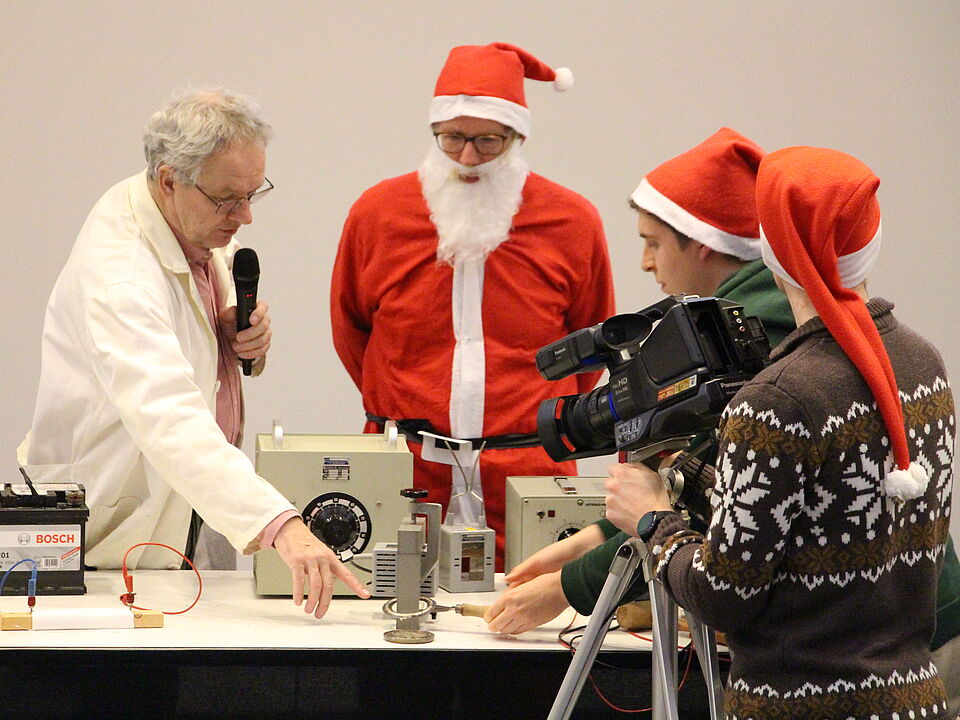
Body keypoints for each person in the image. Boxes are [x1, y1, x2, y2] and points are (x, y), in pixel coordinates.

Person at [603, 146, 953, 718]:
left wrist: (654, 521)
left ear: (774, 251)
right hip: (913, 697)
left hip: (799, 705)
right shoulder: (923, 365)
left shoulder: (775, 399)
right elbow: (819, 514)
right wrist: (688, 477)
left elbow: (726, 594)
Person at [18, 88, 369, 618]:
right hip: (112, 535)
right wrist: (283, 524)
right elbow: (170, 418)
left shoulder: (183, 217)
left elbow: (189, 357)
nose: (245, 216)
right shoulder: (122, 278)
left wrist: (232, 344)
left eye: (255, 193)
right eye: (229, 199)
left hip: (180, 511)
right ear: (168, 179)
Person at [485, 127, 795, 632]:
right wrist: (595, 536)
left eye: (653, 243)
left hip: (880, 647)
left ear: (702, 245)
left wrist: (569, 587)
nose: (645, 262)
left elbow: (709, 500)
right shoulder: (739, 317)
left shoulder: (758, 333)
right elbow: (695, 476)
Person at [331, 43, 615, 569]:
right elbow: (352, 332)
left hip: (528, 474)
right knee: (390, 616)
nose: (466, 158)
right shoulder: (378, 215)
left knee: (531, 626)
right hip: (406, 469)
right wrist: (406, 403)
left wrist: (526, 424)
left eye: (488, 141)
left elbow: (590, 345)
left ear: (518, 136)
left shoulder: (572, 222)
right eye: (452, 138)